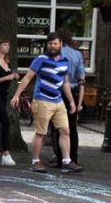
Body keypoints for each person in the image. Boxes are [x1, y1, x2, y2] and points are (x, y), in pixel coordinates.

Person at [9, 32, 83, 174]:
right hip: (42, 100)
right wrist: (17, 95)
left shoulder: (64, 61)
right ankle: (35, 161)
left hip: (59, 101)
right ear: (46, 45)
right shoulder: (40, 59)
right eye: (50, 44)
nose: (52, 46)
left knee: (65, 131)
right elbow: (27, 78)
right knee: (41, 133)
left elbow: (65, 83)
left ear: (61, 44)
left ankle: (66, 161)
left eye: (55, 43)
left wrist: (72, 102)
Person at [49, 28, 85, 167]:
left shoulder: (56, 53)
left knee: (58, 127)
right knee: (72, 128)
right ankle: (73, 158)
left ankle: (60, 158)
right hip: (74, 92)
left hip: (57, 92)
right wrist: (79, 102)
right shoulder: (77, 54)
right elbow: (82, 79)